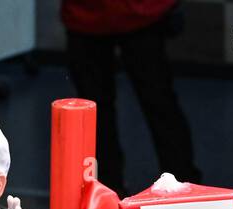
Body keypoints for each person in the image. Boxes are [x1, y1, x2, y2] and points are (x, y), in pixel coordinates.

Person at [61, 0, 201, 192]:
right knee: (98, 112)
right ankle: (106, 194)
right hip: (91, 16)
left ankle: (184, 188)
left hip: (139, 14)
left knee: (158, 103)